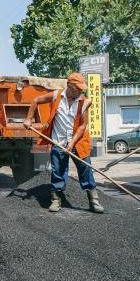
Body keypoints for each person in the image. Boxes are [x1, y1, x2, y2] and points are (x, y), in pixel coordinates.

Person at [23, 73, 104, 213]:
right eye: (78, 88)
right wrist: (29, 119)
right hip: (58, 141)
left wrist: (71, 144)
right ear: (69, 86)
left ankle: (94, 201)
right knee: (58, 171)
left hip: (78, 142)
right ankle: (56, 199)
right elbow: (35, 100)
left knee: (86, 170)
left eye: (82, 88)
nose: (80, 91)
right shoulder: (56, 96)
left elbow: (82, 126)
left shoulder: (84, 101)